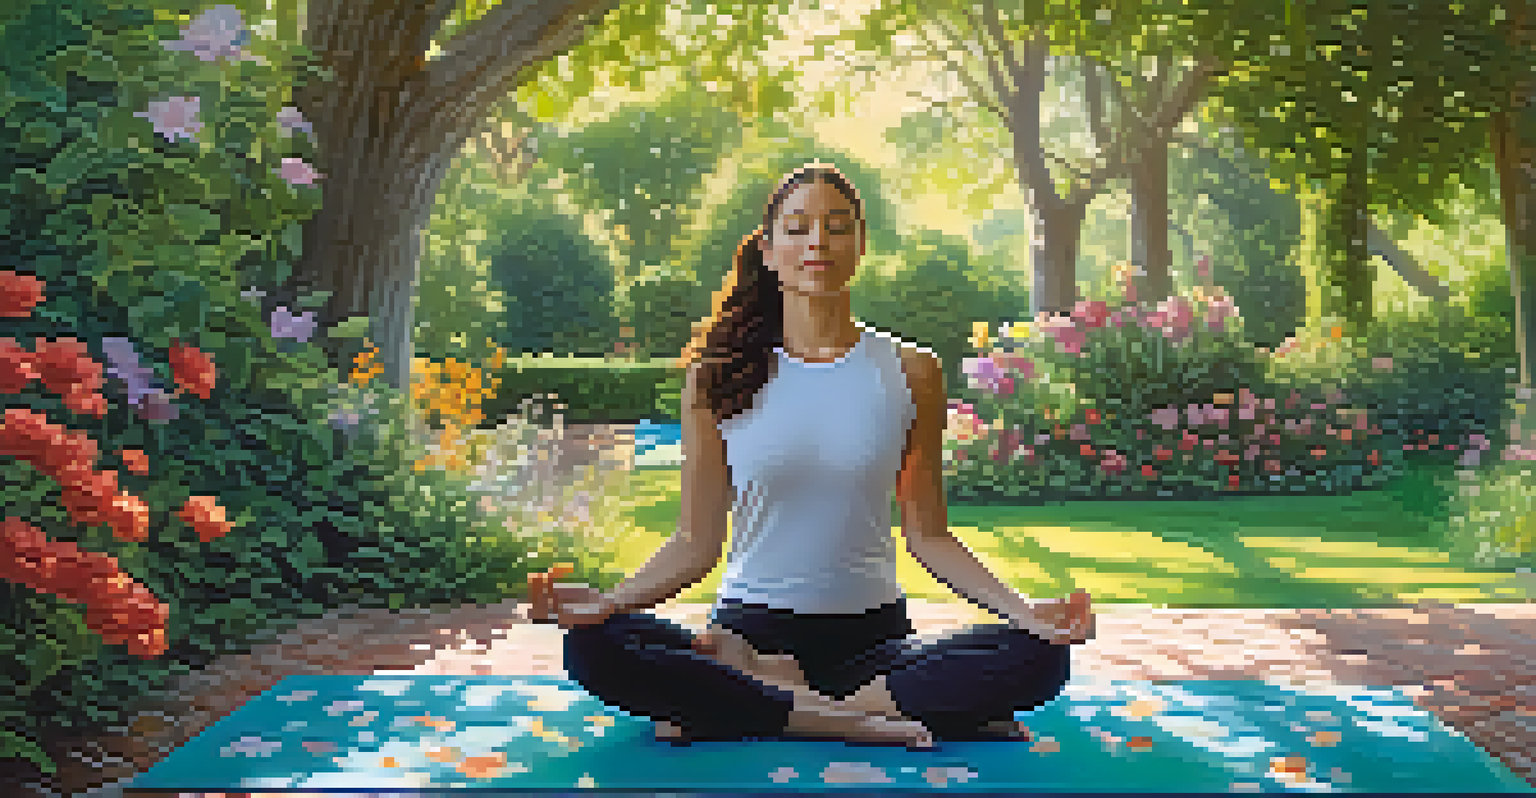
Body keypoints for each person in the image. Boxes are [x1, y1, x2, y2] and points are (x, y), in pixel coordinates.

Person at [525, 162, 1094, 750]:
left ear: (859, 245)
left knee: (1040, 657)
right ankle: (846, 719)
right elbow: (695, 544)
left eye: (836, 226)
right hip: (748, 633)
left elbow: (930, 537)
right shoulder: (715, 380)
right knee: (598, 645)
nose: (817, 241)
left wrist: (1026, 613)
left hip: (874, 643)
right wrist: (610, 603)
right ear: (768, 251)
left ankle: (757, 707)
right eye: (797, 228)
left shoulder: (912, 372)